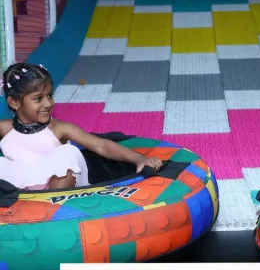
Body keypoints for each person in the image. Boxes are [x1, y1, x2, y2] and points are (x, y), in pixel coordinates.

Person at [0, 63, 162, 191]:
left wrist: (139, 159)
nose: (48, 103)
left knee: (66, 153)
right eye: (38, 98)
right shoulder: (4, 129)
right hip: (26, 189)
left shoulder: (59, 128)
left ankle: (52, 206)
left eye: (49, 95)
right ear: (14, 102)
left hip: (61, 192)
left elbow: (101, 145)